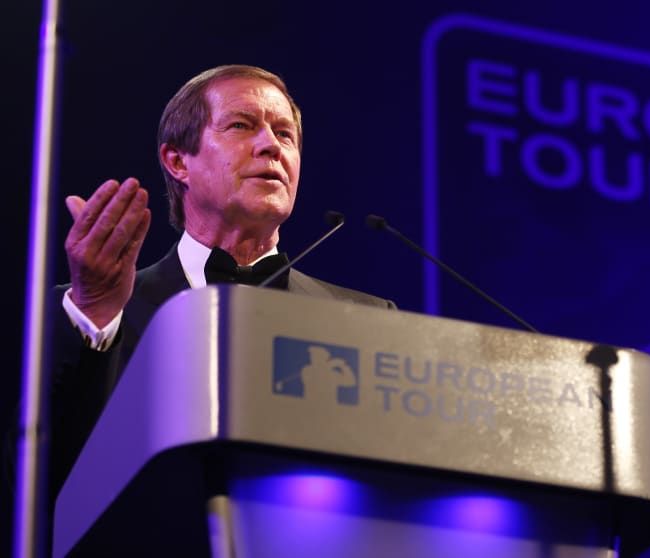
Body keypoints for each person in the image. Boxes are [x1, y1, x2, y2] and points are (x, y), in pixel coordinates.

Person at [11, 65, 395, 509]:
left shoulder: (367, 319)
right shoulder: (94, 312)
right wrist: (96, 312)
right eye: (241, 125)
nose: (272, 145)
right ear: (178, 161)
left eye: (286, 134)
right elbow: (33, 486)